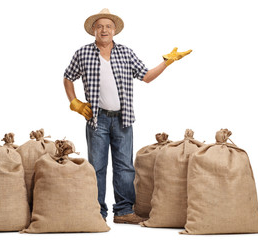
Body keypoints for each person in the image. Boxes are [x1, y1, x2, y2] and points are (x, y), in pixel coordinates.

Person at [63, 8, 191, 224]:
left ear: (114, 31)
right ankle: (97, 213)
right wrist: (74, 102)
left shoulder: (126, 53)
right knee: (97, 167)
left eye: (108, 26)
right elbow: (67, 77)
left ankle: (123, 212)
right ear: (94, 30)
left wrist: (167, 62)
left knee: (124, 166)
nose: (104, 30)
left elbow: (147, 76)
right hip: (97, 120)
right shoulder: (82, 53)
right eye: (100, 26)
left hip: (123, 119)